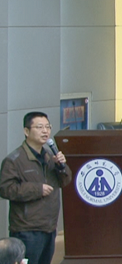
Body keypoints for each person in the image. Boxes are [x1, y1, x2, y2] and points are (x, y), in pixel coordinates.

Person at [0, 112, 72, 264]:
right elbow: (6, 189)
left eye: (48, 127)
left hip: (49, 226)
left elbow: (65, 181)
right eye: (39, 127)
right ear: (26, 131)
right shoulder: (14, 160)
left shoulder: (50, 156)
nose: (45, 131)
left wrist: (61, 166)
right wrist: (37, 189)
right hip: (27, 229)